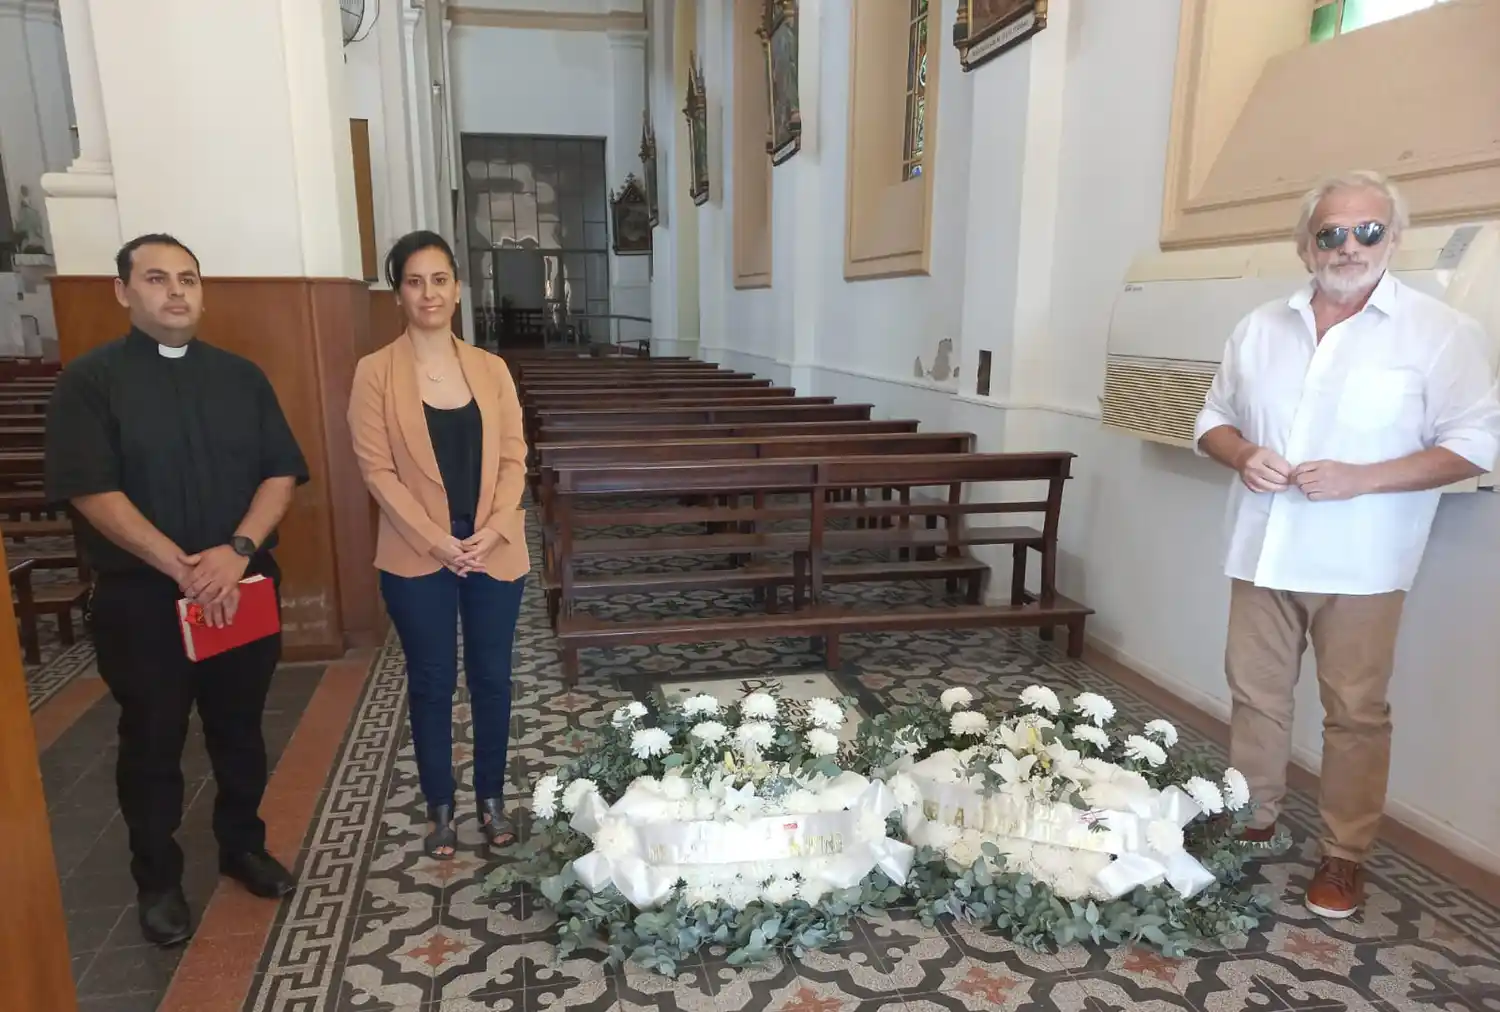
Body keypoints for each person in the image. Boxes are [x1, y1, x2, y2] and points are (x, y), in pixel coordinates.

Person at [1193, 170, 1500, 920]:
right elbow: (1212, 418)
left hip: (1362, 562)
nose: (1348, 246)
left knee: (1356, 711)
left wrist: (1366, 477)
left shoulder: (1440, 333)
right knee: (1255, 696)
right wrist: (1241, 455)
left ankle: (1344, 853)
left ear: (1394, 239)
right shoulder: (1261, 326)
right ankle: (1251, 819)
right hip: (1263, 547)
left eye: (1367, 231)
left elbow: (1477, 443)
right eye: (1331, 232)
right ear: (1306, 245)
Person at [44, 234, 310, 946]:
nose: (176, 292)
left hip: (241, 587)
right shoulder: (90, 382)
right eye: (157, 278)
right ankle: (157, 878)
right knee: (152, 742)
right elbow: (92, 491)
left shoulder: (240, 378)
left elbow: (279, 473)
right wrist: (184, 568)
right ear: (123, 291)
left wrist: (236, 552)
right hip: (144, 601)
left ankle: (241, 845)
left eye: (188, 279)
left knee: (241, 728)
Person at [348, 231, 528, 859]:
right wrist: (437, 542)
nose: (430, 293)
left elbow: (514, 457)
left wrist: (493, 528)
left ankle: (490, 797)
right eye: (415, 281)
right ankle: (440, 806)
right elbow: (377, 472)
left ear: (458, 287)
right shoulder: (374, 373)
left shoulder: (491, 369)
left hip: (492, 548)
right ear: (398, 292)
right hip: (415, 554)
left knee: (492, 679)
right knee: (430, 680)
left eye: (441, 279)